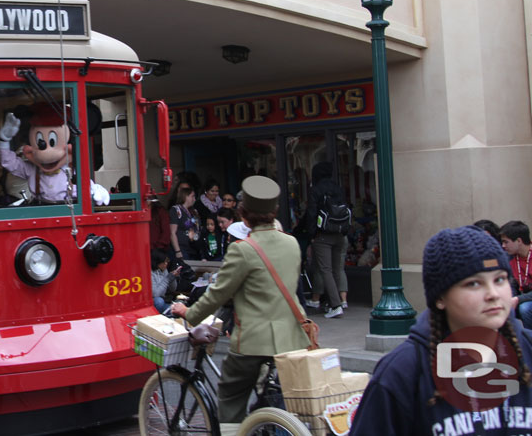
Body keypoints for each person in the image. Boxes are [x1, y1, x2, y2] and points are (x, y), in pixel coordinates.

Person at [350, 226, 532, 434]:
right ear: (440, 298)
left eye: (499, 279)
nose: (493, 294)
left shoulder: (527, 349)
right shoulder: (402, 373)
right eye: (473, 284)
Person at [171, 176, 310, 426]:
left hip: (254, 342)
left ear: (243, 214)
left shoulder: (243, 249)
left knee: (231, 396)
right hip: (293, 337)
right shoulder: (292, 244)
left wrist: (188, 312)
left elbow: (217, 294)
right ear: (275, 211)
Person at [304, 162, 348, 319]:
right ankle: (339, 301)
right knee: (337, 269)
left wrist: (311, 234)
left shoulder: (315, 190)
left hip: (323, 234)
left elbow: (311, 213)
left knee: (325, 270)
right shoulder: (338, 188)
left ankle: (335, 305)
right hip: (340, 232)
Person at [500, 220, 532, 329]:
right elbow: (512, 285)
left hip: (525, 301)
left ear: (519, 241)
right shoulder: (510, 258)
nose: (503, 246)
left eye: (506, 242)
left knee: (525, 308)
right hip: (523, 297)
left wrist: (518, 299)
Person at [168, 181, 200, 267]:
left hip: (193, 248)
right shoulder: (176, 210)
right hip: (181, 249)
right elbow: (172, 232)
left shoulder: (194, 211)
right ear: (185, 196)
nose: (194, 199)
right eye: (192, 196)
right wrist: (178, 251)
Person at [150, 249, 178, 314]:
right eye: (164, 262)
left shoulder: (164, 270)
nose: (166, 264)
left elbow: (173, 289)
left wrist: (173, 278)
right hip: (153, 301)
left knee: (175, 311)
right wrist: (167, 279)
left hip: (164, 300)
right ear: (157, 262)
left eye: (167, 261)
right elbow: (155, 294)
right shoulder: (150, 272)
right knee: (159, 301)